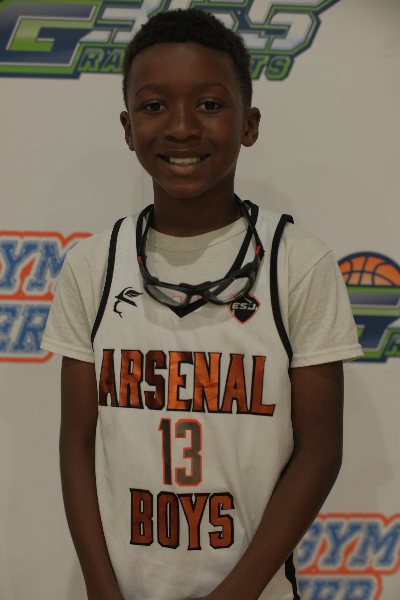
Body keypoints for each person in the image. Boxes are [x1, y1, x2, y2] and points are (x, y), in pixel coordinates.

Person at [41, 8, 363, 600]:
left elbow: (320, 451)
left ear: (249, 124)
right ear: (127, 127)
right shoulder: (94, 264)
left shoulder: (297, 262)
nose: (182, 127)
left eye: (210, 104)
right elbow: (77, 442)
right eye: (154, 106)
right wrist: (101, 589)